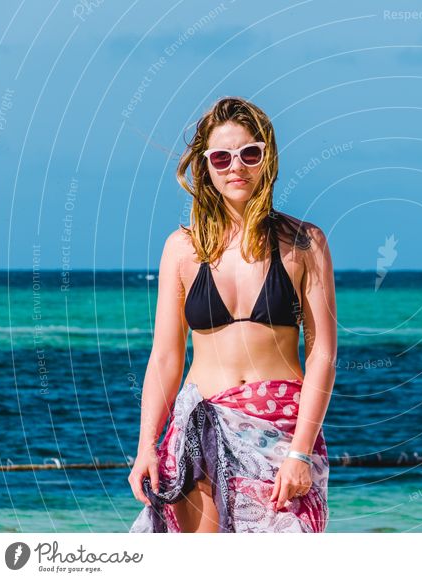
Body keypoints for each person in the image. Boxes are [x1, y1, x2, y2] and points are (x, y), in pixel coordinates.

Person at [127, 96, 337, 532]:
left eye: (249, 153)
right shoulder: (181, 250)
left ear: (267, 159)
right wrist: (147, 445)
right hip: (200, 431)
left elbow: (322, 356)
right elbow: (166, 358)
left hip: (281, 436)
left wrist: (300, 452)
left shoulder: (304, 243)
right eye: (222, 157)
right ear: (206, 166)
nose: (235, 166)